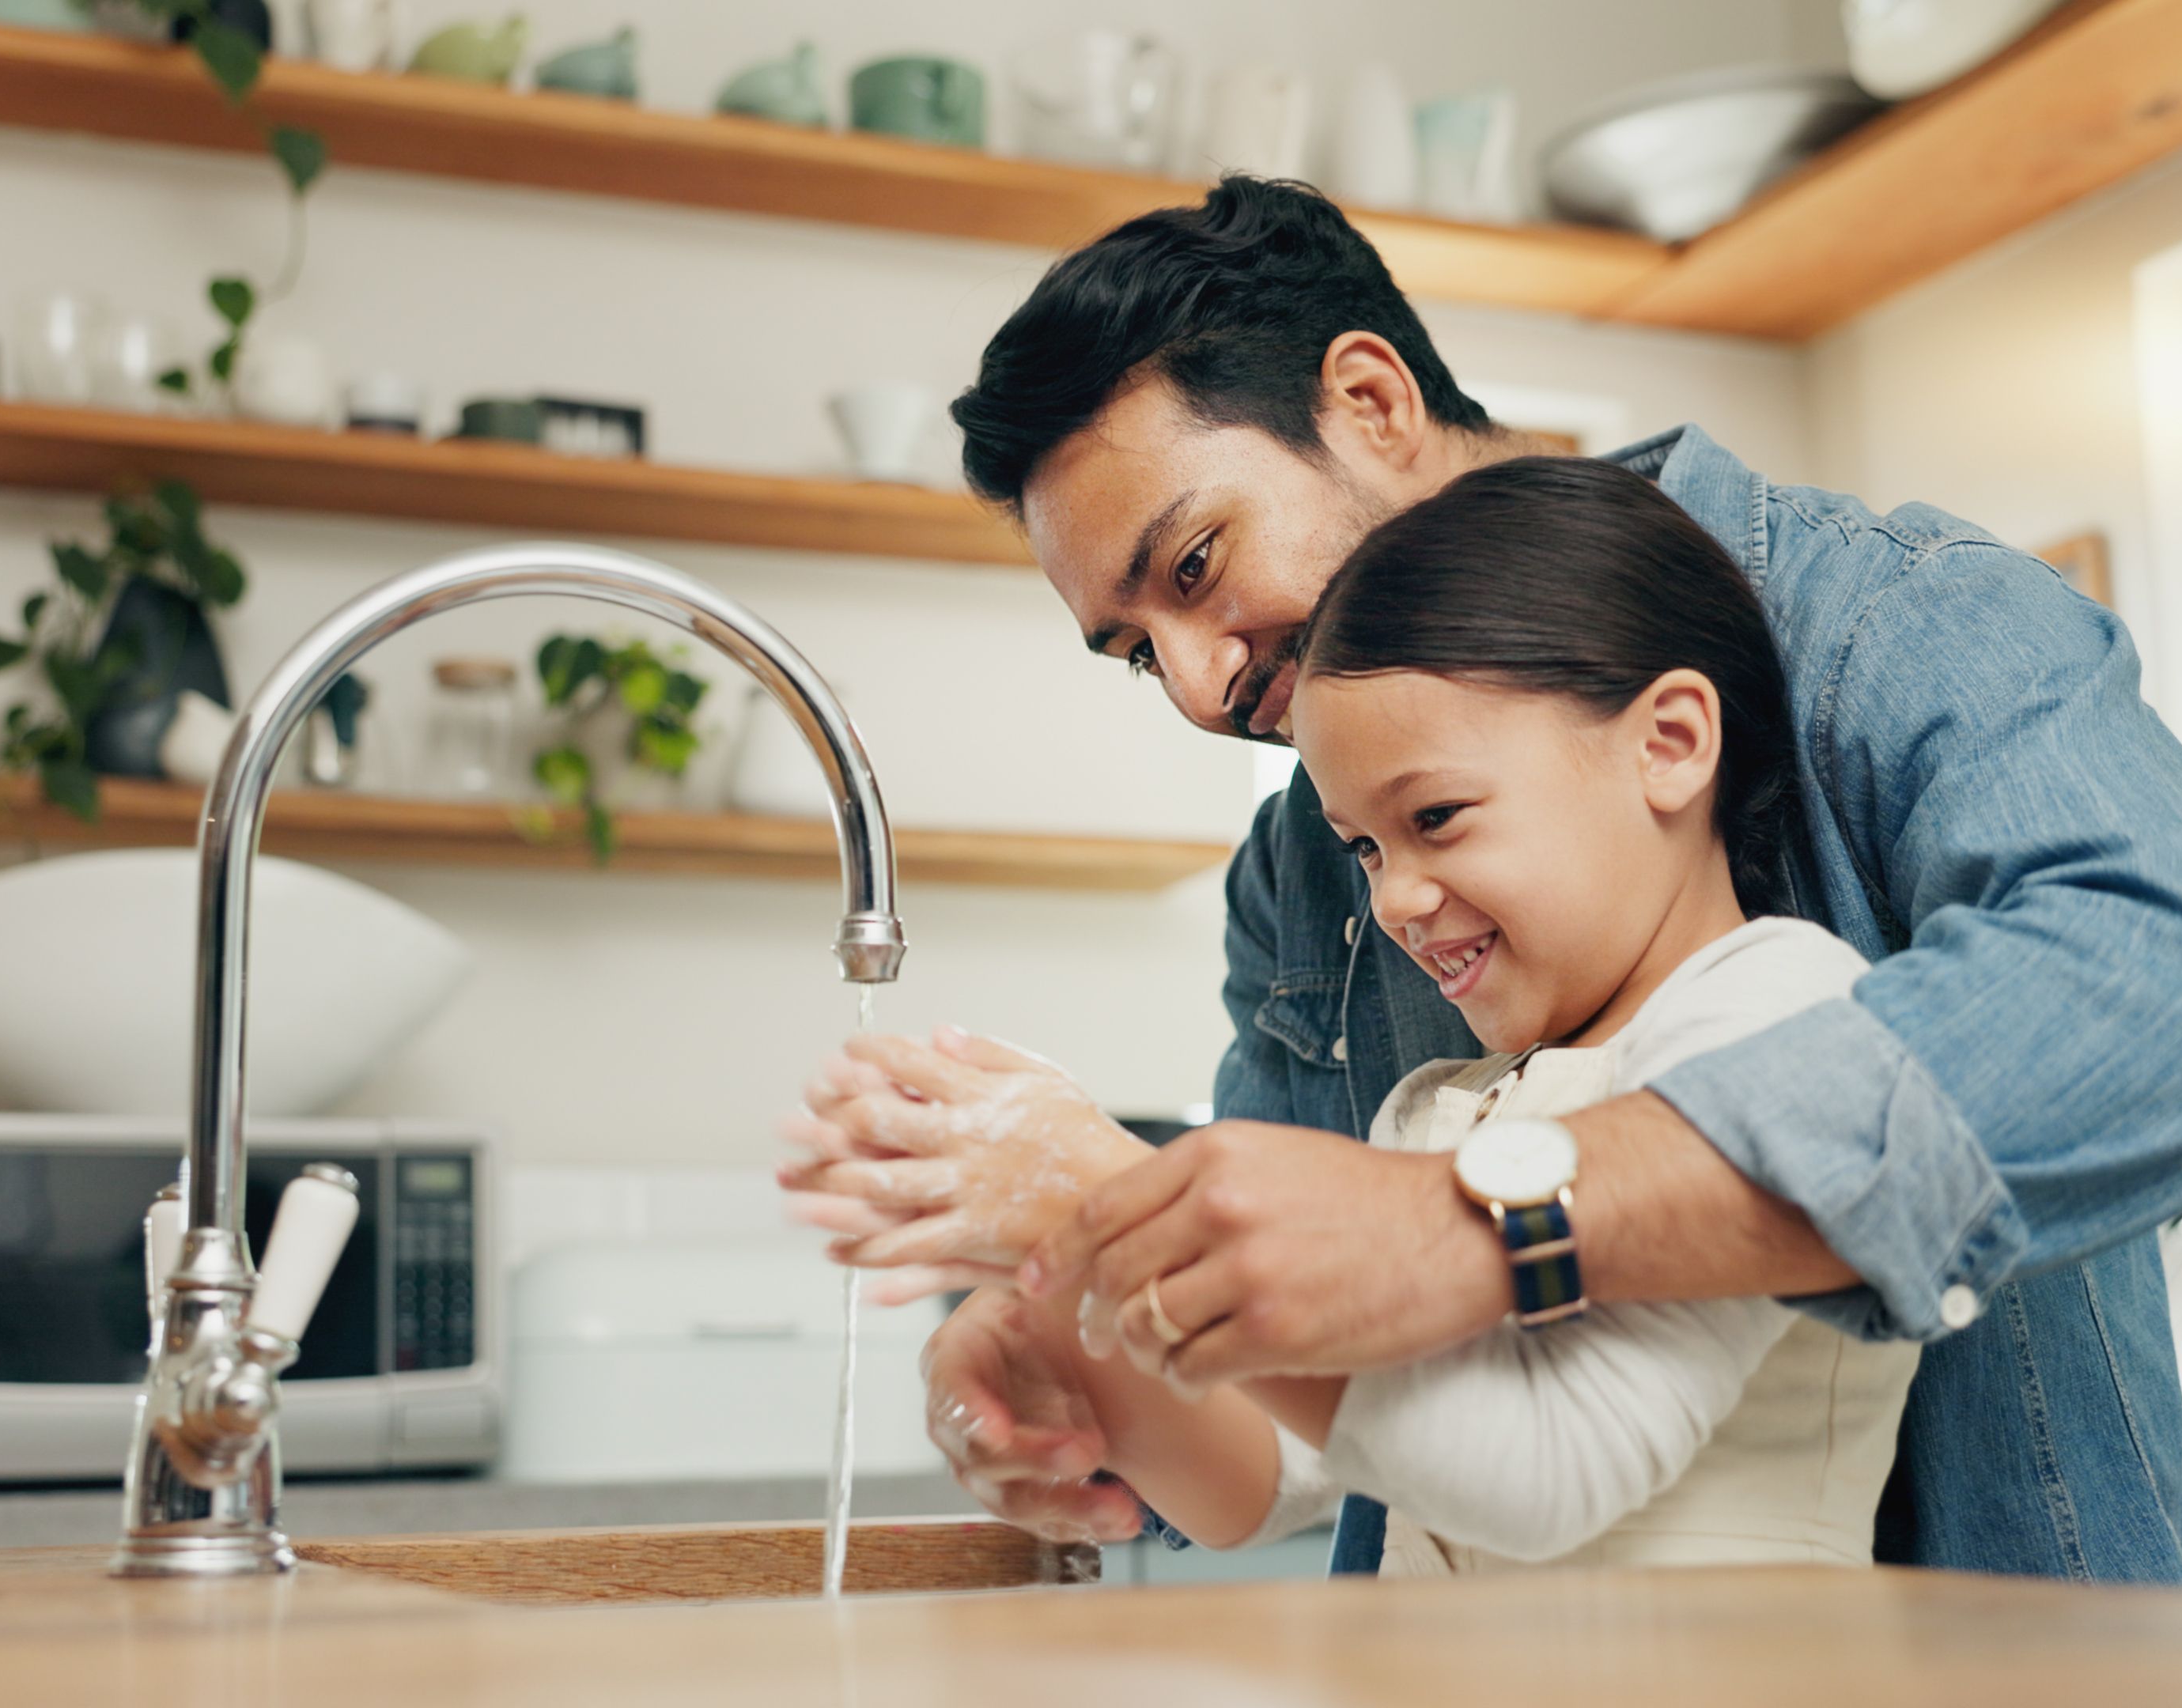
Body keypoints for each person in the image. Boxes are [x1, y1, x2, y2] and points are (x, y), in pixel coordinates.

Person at [784, 176, 2182, 1581]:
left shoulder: (1887, 625)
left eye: (1193, 569)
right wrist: (1092, 1342)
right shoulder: (1302, 877)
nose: (1193, 686)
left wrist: (1479, 1225)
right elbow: (1293, 1407)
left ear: (1372, 402)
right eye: (1134, 652)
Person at [791, 455, 1919, 1574]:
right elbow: (1270, 1478)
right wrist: (1078, 1331)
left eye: (1436, 815)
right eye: (1365, 848)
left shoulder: (1780, 1007)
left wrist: (1099, 1199)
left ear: (1668, 745)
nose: (1394, 900)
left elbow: (1556, 1469)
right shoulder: (1434, 1116)